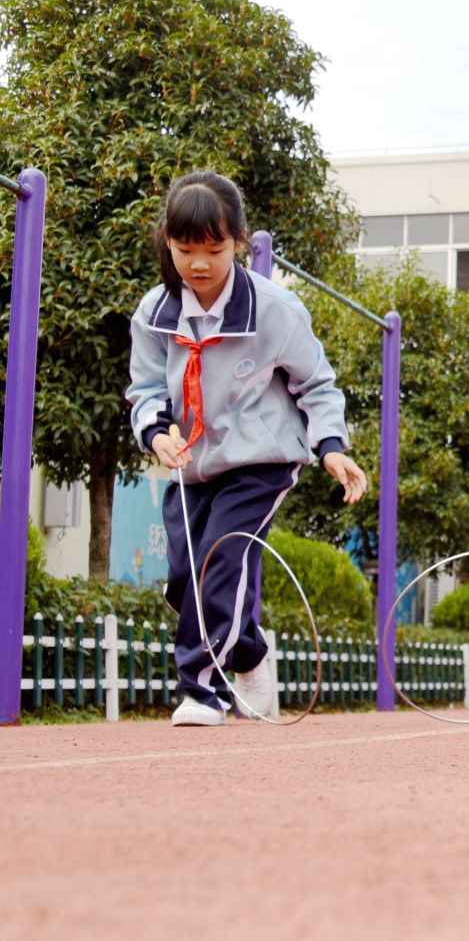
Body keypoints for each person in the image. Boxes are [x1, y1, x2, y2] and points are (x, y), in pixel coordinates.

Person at [128, 172, 369, 727]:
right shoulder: (154, 313)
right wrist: (157, 432)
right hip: (193, 464)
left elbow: (317, 384)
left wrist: (330, 446)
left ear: (239, 240)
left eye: (214, 249)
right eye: (185, 249)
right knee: (185, 582)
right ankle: (250, 654)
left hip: (263, 460)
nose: (199, 264)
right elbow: (143, 388)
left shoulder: (276, 310)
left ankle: (201, 690)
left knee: (220, 561)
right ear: (168, 241)